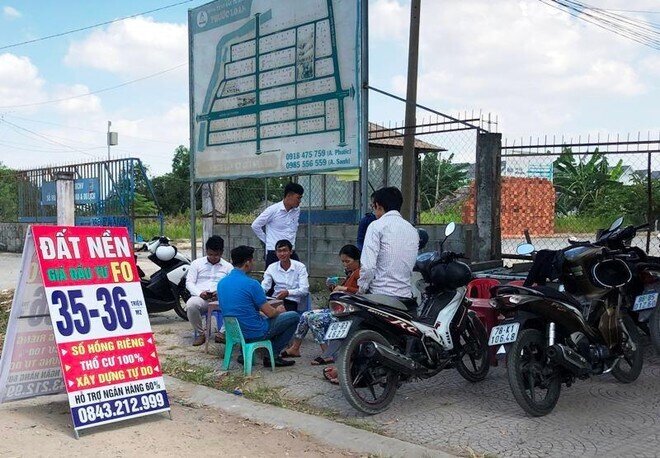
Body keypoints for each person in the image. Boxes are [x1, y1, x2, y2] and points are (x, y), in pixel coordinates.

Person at [218, 245, 299, 367]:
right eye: (252, 260)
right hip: (255, 332)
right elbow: (270, 313)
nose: (253, 263)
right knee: (293, 316)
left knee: (255, 318)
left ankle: (244, 353)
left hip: (233, 331)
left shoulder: (222, 283)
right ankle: (273, 354)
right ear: (247, 263)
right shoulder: (252, 284)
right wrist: (278, 310)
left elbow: (240, 308)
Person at [281, 244, 360, 364]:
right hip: (338, 308)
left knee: (314, 319)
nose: (345, 264)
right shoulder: (351, 273)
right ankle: (295, 348)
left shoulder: (360, 273)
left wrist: (344, 289)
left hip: (347, 312)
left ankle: (328, 353)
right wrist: (334, 288)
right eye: (343, 261)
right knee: (305, 315)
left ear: (356, 260)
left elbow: (362, 292)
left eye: (347, 261)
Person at [358, 186, 419, 298]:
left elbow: (368, 267)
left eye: (373, 207)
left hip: (380, 296)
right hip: (405, 297)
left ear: (378, 206)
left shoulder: (376, 226)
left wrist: (361, 289)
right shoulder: (412, 230)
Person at [186, 236, 233, 346]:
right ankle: (201, 333)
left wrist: (220, 293)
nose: (213, 257)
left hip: (220, 299)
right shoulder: (196, 264)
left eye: (216, 255)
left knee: (235, 305)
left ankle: (221, 333)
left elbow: (230, 285)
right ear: (206, 251)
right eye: (210, 254)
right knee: (191, 304)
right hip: (201, 298)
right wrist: (200, 293)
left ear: (221, 252)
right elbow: (189, 283)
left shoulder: (228, 267)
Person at [251, 182, 304, 268]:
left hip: (290, 251)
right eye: (298, 198)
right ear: (289, 195)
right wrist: (267, 241)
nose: (299, 201)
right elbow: (255, 225)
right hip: (275, 252)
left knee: (297, 274)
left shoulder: (296, 210)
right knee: (272, 280)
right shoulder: (273, 210)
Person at [261, 239, 309, 312]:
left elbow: (304, 290)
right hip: (275, 299)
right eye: (279, 251)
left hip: (292, 301)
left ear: (291, 252)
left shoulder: (300, 267)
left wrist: (288, 292)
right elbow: (265, 286)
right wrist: (258, 293)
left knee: (278, 314)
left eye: (285, 250)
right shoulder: (271, 267)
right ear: (276, 253)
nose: (282, 254)